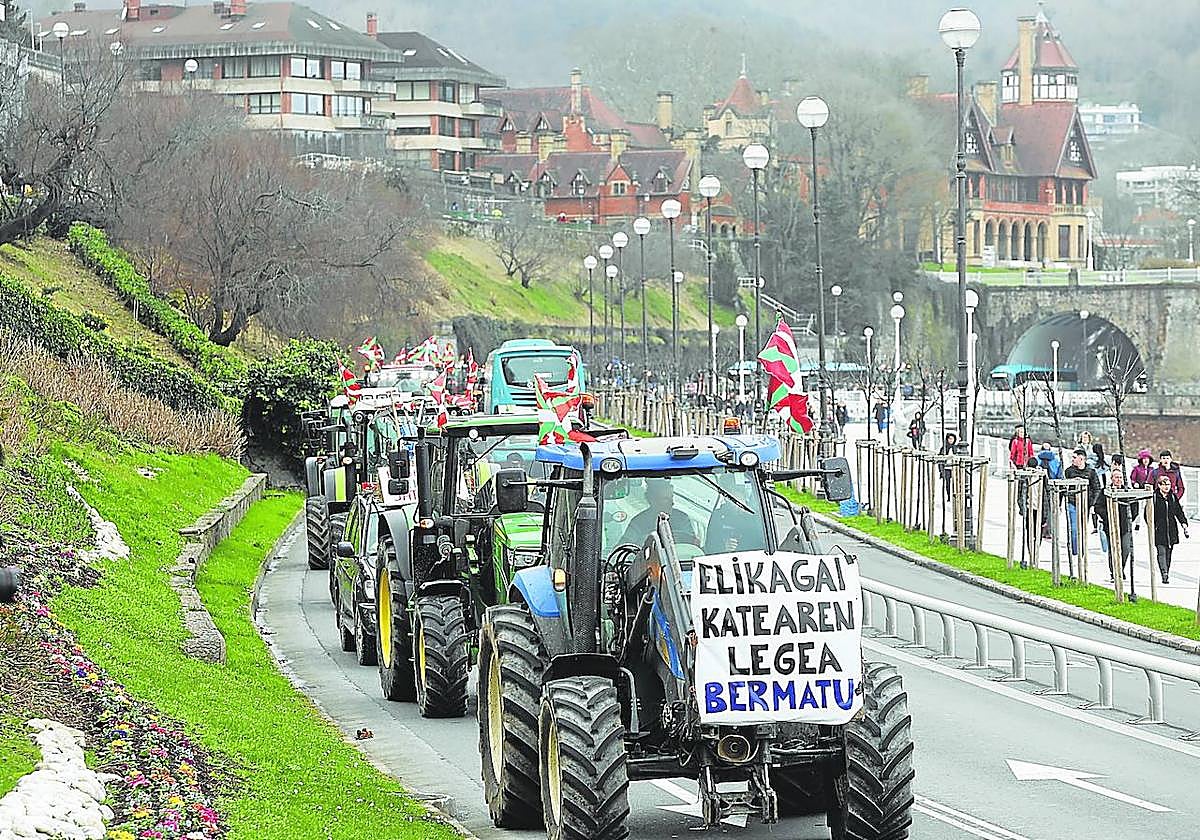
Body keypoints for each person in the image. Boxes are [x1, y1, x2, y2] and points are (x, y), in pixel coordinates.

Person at [618, 480, 698, 548]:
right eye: (666, 499)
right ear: (652, 500)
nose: (672, 503)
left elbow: (694, 545)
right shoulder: (638, 522)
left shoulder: (682, 518)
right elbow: (623, 548)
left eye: (671, 497)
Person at [1098, 470, 1138, 600]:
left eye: (1120, 477)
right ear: (1112, 478)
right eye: (1116, 477)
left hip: (1125, 526)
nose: (1119, 479)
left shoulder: (1127, 491)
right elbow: (1098, 507)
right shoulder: (1106, 491)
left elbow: (1135, 505)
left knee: (1125, 548)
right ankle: (1114, 572)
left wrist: (1130, 518)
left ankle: (1120, 569)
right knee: (1114, 549)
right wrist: (1108, 516)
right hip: (1111, 526)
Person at [1148, 474, 1189, 585]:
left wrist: (1184, 524)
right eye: (1164, 484)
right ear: (1159, 485)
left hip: (1171, 530)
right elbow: (1147, 514)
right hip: (1159, 531)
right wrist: (1152, 526)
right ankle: (1164, 573)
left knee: (1168, 554)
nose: (1167, 487)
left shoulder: (1173, 497)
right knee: (1161, 552)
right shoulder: (1154, 497)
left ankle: (1166, 571)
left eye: (1169, 484)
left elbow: (1179, 512)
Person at [1064, 448, 1101, 565]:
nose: (1072, 460)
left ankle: (1082, 551)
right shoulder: (1069, 471)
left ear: (1082, 459)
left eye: (1075, 457)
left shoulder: (1091, 472)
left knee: (1083, 528)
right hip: (1072, 502)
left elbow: (1097, 488)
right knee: (1074, 529)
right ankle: (1075, 552)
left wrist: (1092, 503)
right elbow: (1064, 486)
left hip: (1085, 504)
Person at [938, 432, 958, 501]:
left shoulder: (956, 448)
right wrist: (941, 471)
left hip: (954, 467)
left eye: (952, 439)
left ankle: (955, 495)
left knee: (955, 482)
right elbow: (940, 460)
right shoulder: (943, 448)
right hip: (946, 468)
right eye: (949, 439)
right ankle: (949, 496)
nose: (951, 440)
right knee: (947, 483)